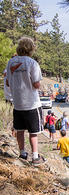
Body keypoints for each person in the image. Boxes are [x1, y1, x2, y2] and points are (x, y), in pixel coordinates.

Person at [5, 37, 45, 166]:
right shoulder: (32, 63)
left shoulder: (10, 63)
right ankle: (35, 157)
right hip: (32, 103)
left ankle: (22, 153)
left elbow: (7, 82)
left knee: (20, 130)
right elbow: (36, 84)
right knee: (33, 132)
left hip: (18, 103)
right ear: (31, 48)